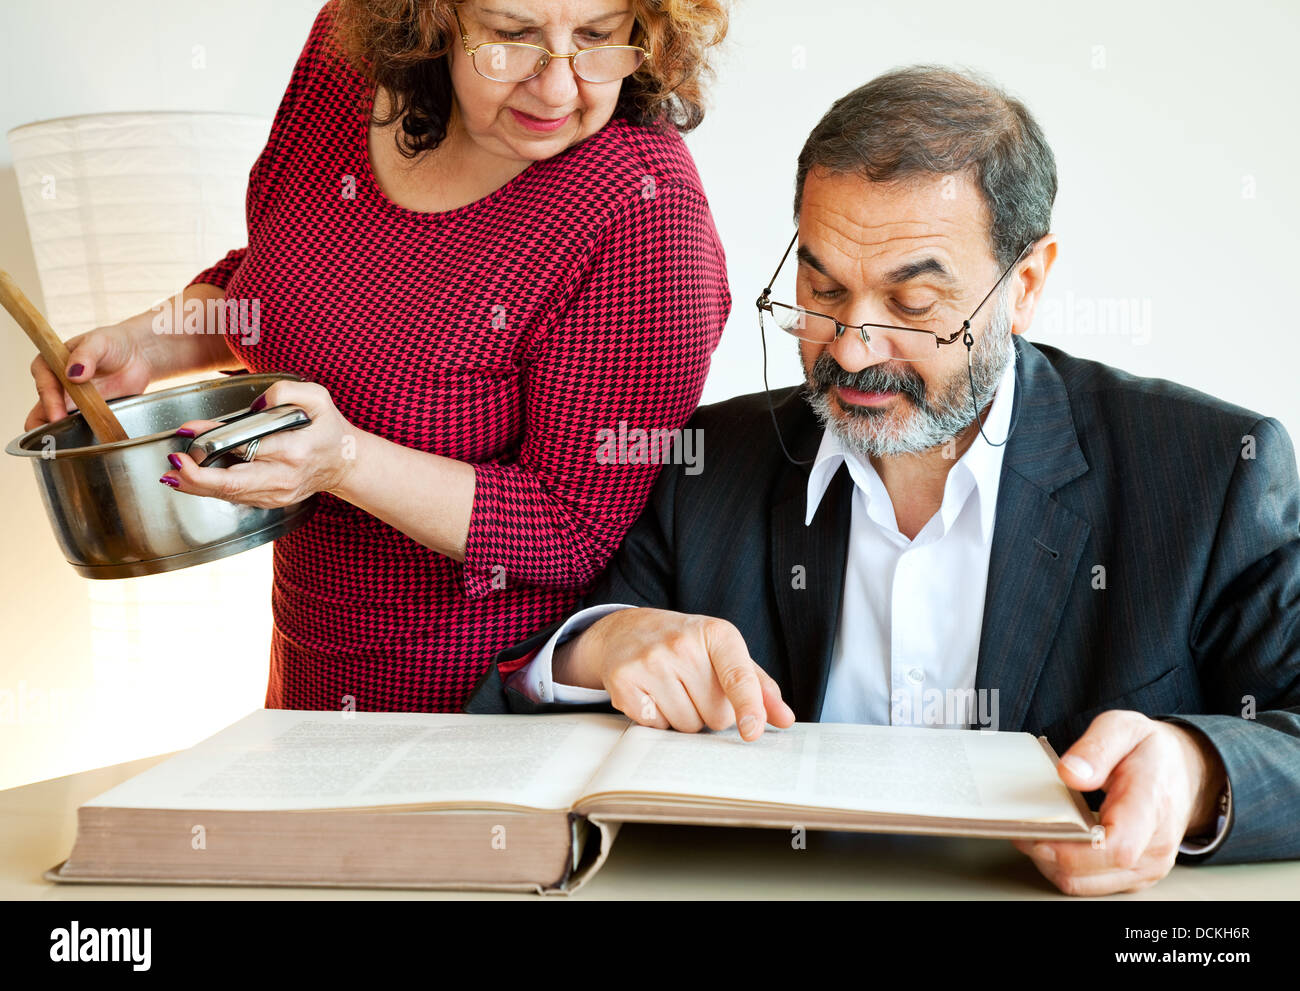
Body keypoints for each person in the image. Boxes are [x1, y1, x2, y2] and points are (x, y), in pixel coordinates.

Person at [466, 66, 1300, 895]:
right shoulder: (708, 463)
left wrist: (1194, 772)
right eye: (824, 288)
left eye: (912, 304)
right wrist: (596, 647)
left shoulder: (1211, 473)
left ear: (1026, 286)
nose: (853, 349)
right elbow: (514, 717)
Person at [25, 0, 731, 712]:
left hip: (486, 722)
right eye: (511, 37)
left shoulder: (646, 208)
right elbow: (286, 277)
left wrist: (347, 463)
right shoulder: (350, 60)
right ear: (430, 17)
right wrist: (145, 344)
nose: (556, 87)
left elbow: (571, 529)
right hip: (305, 688)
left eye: (597, 38)